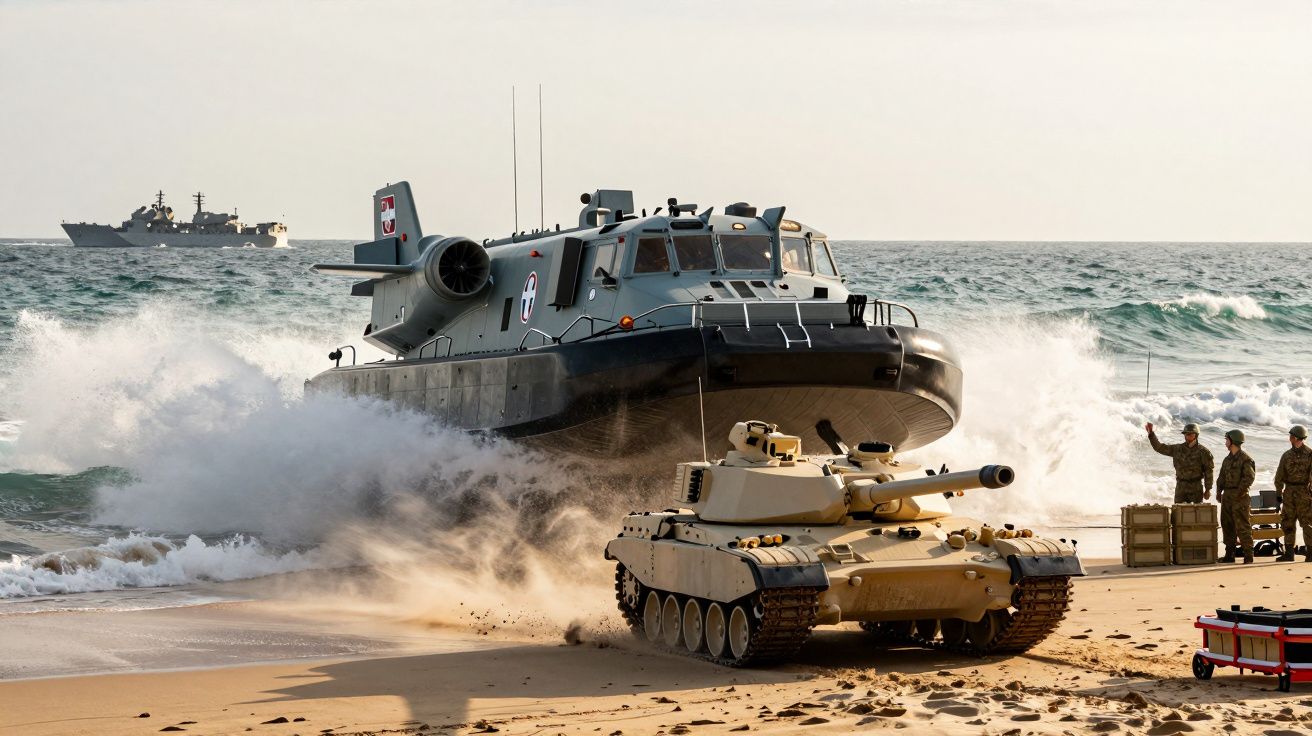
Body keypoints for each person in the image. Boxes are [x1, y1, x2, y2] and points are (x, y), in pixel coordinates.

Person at [1145, 422, 1214, 503]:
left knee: (1195, 513)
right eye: (1186, 434)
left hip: (1196, 488)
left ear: (1196, 435)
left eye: (1190, 434)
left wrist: (1208, 489)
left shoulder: (1203, 452)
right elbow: (1159, 448)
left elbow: (1209, 472)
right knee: (1178, 512)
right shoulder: (1177, 449)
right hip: (1181, 487)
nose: (1188, 436)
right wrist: (1151, 434)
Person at [1215, 429, 1255, 564]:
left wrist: (1239, 493)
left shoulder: (1245, 459)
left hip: (1240, 497)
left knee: (1242, 526)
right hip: (1227, 495)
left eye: (1227, 439)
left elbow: (1249, 478)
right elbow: (1221, 477)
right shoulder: (1227, 459)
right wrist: (1218, 491)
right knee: (1227, 525)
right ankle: (1229, 554)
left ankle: (1248, 555)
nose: (1225, 442)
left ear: (1233, 441)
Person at [1274, 425, 1312, 563]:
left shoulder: (1310, 454)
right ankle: (1289, 553)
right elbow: (1279, 476)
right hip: (1289, 492)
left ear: (1296, 438)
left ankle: (1311, 553)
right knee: (1288, 523)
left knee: (1307, 523)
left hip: (1304, 493)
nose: (1289, 438)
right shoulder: (1286, 455)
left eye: (1291, 436)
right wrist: (1279, 494)